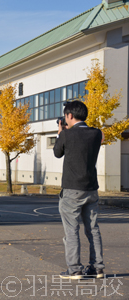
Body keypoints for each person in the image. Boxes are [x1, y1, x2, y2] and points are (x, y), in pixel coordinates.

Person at [53, 101, 105, 280]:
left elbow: (57, 153)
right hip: (91, 188)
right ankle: (97, 267)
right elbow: (100, 136)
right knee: (93, 229)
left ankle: (74, 269)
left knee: (72, 229)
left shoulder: (66, 134)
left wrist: (61, 134)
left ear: (68, 116)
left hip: (72, 190)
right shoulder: (96, 133)